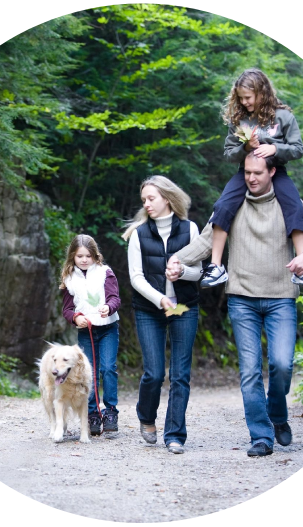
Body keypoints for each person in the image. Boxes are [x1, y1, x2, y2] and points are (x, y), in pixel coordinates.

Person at [167, 152, 303, 457]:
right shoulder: (233, 204)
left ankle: (277, 414)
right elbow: (205, 241)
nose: (251, 178)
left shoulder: (291, 204)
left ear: (272, 171)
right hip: (242, 299)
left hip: (281, 297)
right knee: (250, 371)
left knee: (282, 364)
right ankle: (261, 436)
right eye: (247, 172)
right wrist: (177, 259)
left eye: (258, 173)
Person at [200, 67, 303, 289]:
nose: (244, 102)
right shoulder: (239, 120)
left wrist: (274, 149)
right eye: (240, 98)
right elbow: (228, 154)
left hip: (276, 171)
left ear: (261, 93)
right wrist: (246, 147)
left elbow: (298, 149)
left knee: (294, 207)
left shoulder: (283, 117)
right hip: (245, 172)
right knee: (222, 206)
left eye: (248, 97)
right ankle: (215, 266)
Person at [122, 176, 202, 454]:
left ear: (167, 198)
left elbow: (199, 272)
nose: (146, 204)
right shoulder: (139, 234)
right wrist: (160, 299)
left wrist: (182, 273)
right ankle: (146, 416)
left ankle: (175, 435)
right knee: (154, 374)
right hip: (149, 310)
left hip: (185, 308)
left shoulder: (191, 229)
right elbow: (135, 277)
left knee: (180, 374)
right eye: (144, 199)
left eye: (151, 198)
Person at [60, 234, 121, 436]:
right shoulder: (69, 279)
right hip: (86, 332)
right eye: (79, 256)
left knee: (108, 368)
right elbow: (67, 309)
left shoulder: (105, 273)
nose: (84, 260)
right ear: (73, 257)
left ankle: (111, 412)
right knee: (90, 373)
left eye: (88, 256)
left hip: (107, 328)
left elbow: (114, 298)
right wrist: (76, 317)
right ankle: (92, 414)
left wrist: (108, 307)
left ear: (95, 256)